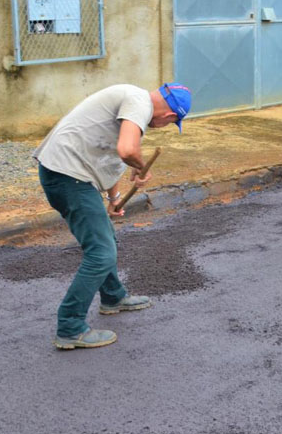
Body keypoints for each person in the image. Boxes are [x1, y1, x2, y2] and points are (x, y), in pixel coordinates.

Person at [34, 82, 192, 349]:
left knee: (106, 239)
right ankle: (70, 327)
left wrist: (114, 198)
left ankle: (113, 297)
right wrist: (142, 167)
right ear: (169, 117)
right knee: (101, 252)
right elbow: (127, 151)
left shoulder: (133, 106)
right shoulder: (139, 102)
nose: (163, 126)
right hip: (68, 177)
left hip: (69, 175)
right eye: (169, 124)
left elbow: (110, 159)